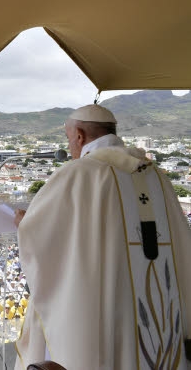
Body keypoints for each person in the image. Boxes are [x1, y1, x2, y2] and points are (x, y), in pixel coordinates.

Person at [14, 104, 191, 370]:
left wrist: (23, 224)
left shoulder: (78, 173)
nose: (70, 145)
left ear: (80, 136)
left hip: (108, 305)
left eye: (68, 138)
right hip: (163, 314)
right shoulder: (157, 176)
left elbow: (42, 238)